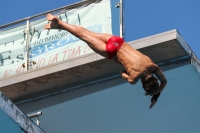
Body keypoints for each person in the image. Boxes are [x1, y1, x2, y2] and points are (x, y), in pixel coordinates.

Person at [44, 13, 167, 108]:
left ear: (154, 78)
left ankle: (58, 25)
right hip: (111, 52)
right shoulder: (134, 78)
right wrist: (154, 96)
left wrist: (157, 94)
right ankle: (59, 21)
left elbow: (164, 82)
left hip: (117, 41)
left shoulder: (152, 65)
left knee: (87, 33)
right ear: (143, 85)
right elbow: (122, 73)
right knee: (84, 37)